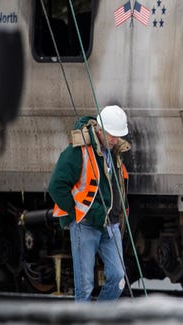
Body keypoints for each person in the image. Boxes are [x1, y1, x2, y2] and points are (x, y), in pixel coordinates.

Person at [48, 105, 131, 302]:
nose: (115, 140)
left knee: (119, 278)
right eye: (112, 135)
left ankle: (99, 316)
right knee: (84, 286)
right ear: (99, 130)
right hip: (85, 224)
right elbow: (56, 186)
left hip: (110, 224)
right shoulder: (77, 151)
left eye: (118, 136)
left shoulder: (114, 150)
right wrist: (77, 211)